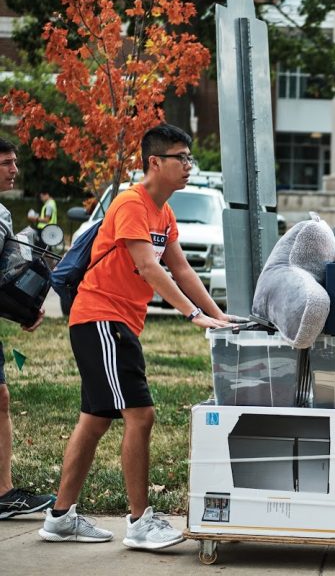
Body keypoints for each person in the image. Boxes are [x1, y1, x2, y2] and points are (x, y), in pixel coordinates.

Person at [39, 124, 231, 549]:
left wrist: (220, 315)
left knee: (95, 419)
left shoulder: (164, 213)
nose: (187, 166)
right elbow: (149, 266)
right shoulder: (131, 203)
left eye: (189, 158)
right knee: (140, 415)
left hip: (114, 322)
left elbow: (180, 268)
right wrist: (191, 314)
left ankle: (60, 517)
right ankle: (141, 522)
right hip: (102, 319)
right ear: (154, 163)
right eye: (180, 158)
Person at [0, 137, 56, 520]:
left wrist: (24, 308)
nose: (14, 169)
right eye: (6, 162)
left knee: (0, 399)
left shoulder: (3, 214)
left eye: (14, 162)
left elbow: (6, 275)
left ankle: (3, 493)